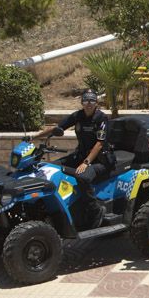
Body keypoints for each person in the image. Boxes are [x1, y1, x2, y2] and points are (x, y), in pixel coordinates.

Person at [31, 89, 114, 229]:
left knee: (82, 176)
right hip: (81, 154)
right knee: (51, 167)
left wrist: (86, 162)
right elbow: (57, 128)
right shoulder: (78, 116)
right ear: (82, 102)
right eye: (86, 100)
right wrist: (34, 137)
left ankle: (95, 210)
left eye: (92, 100)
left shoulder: (101, 118)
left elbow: (99, 143)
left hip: (101, 160)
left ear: (96, 103)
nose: (89, 103)